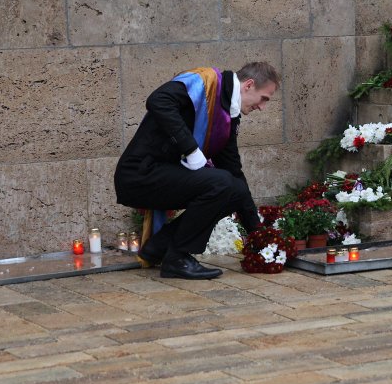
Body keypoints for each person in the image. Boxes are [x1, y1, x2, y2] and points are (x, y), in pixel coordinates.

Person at [114, 62, 279, 279]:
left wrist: (258, 235)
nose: (262, 107)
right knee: (221, 183)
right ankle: (178, 258)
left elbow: (234, 172)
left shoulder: (228, 114)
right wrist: (191, 149)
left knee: (233, 189)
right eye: (264, 98)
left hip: (165, 175)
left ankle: (159, 247)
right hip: (139, 175)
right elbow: (158, 101)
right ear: (248, 85)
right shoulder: (204, 82)